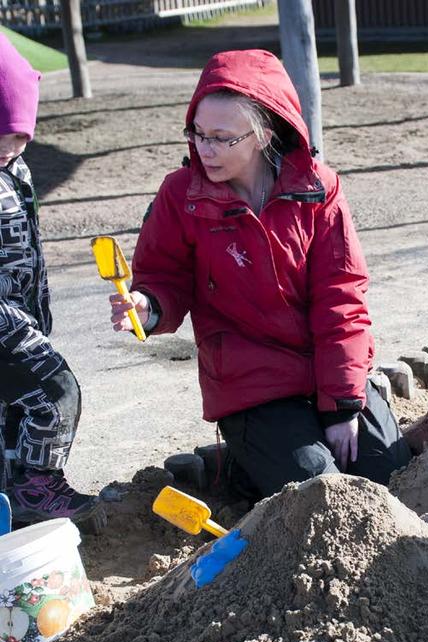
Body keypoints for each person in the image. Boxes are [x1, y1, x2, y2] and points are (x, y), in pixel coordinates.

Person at [109, 49, 410, 497]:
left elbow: (342, 295)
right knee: (320, 493)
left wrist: (343, 404)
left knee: (390, 474)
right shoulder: (181, 195)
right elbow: (164, 278)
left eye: (221, 138)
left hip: (325, 367)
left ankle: (266, 458)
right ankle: (248, 463)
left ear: (263, 133)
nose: (204, 148)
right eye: (198, 133)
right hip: (252, 382)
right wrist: (147, 307)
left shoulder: (318, 189)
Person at [0, 36, 102, 531]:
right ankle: (37, 484)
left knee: (13, 408)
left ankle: (13, 497)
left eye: (20, 135)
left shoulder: (14, 167)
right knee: (55, 390)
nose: (10, 147)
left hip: (21, 313)